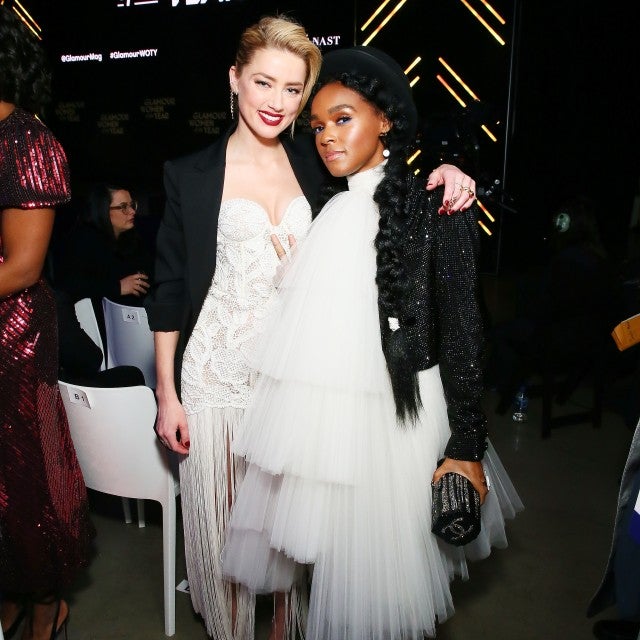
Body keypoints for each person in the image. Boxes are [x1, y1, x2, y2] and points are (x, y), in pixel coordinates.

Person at [145, 15, 479, 640]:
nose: (277, 101)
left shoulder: (317, 161)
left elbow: (382, 179)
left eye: (293, 88)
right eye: (263, 82)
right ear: (234, 80)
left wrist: (447, 171)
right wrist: (167, 393)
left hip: (300, 385)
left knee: (297, 546)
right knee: (223, 541)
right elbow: (168, 291)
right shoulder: (190, 174)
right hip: (216, 377)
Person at [221, 46, 522, 640]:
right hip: (333, 432)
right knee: (338, 574)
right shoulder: (329, 208)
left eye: (343, 119)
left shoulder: (435, 205)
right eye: (318, 126)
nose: (328, 137)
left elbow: (464, 331)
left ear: (384, 120)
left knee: (389, 581)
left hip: (400, 425)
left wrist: (466, 441)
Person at [0, 7, 94, 640]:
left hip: (13, 337)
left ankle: (44, 603)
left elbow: (23, 266)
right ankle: (13, 588)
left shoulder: (27, 141)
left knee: (25, 479)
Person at [55, 182, 153, 307]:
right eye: (123, 207)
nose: (132, 211)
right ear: (103, 210)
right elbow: (70, 286)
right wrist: (117, 287)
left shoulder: (132, 238)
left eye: (132, 205)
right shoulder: (83, 241)